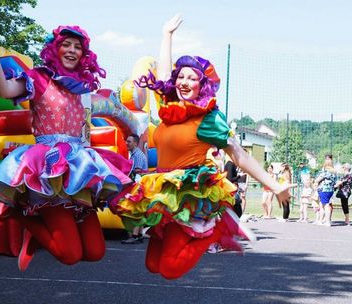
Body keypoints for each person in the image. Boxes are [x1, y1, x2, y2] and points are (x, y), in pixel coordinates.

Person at [110, 15, 293, 280]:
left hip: (188, 193)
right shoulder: (168, 109)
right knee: (152, 266)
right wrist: (167, 36)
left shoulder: (207, 118)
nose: (184, 82)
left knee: (170, 269)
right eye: (180, 76)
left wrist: (274, 185)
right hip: (162, 188)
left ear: (201, 85)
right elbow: (163, 75)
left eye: (191, 78)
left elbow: (238, 154)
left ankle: (218, 232)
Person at [0, 14, 132, 270]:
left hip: (78, 173)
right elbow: (5, 90)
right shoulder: (39, 78)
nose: (72, 50)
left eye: (78, 46)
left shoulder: (81, 88)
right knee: (70, 255)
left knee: (96, 252)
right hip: (49, 173)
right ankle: (20, 215)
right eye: (67, 44)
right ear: (55, 48)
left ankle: (33, 225)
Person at [122, 133, 148, 244]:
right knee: (139, 209)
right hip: (141, 185)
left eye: (129, 141)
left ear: (136, 143)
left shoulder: (137, 155)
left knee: (135, 209)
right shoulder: (135, 154)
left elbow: (137, 171)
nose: (126, 143)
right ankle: (139, 234)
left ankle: (134, 235)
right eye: (126, 141)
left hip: (138, 185)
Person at [315, 154, 337, 226]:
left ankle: (327, 221)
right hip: (330, 189)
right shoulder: (334, 171)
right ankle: (320, 220)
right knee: (321, 204)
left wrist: (315, 181)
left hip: (324, 189)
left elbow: (318, 179)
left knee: (326, 205)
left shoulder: (325, 170)